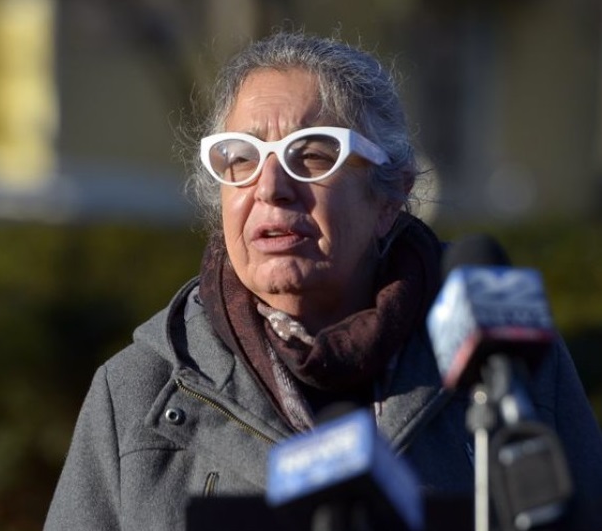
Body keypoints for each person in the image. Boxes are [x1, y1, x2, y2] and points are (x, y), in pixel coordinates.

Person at [44, 31, 602, 530]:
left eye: (311, 155)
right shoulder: (135, 391)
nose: (271, 187)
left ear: (390, 195)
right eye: (239, 158)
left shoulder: (513, 369)